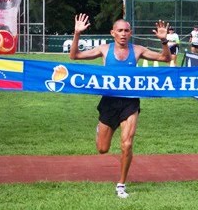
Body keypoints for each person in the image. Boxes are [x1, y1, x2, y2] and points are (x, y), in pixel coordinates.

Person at [69, 13, 170, 198]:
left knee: (127, 143)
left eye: (126, 31)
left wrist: (164, 41)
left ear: (130, 33)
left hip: (130, 101)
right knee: (102, 149)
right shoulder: (104, 50)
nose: (123, 34)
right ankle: (100, 130)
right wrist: (77, 34)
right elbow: (74, 56)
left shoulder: (138, 50)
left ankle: (121, 184)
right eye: (120, 30)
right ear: (113, 33)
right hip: (109, 102)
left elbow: (165, 58)